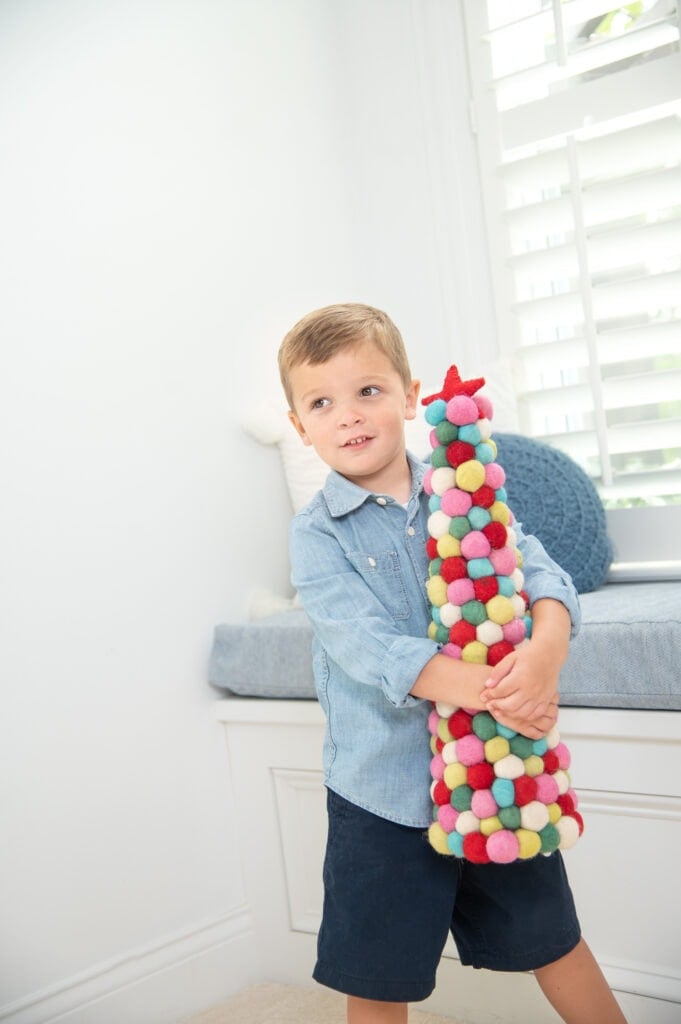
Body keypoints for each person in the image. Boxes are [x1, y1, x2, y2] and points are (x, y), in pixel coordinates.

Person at [277, 302, 627, 1024]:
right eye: (321, 402)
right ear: (299, 426)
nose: (348, 416)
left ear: (410, 397)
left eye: (368, 391)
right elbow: (364, 644)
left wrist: (543, 655)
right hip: (383, 794)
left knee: (553, 939)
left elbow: (543, 575)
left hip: (496, 775)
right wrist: (497, 690)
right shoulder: (315, 537)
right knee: (377, 976)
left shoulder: (465, 486)